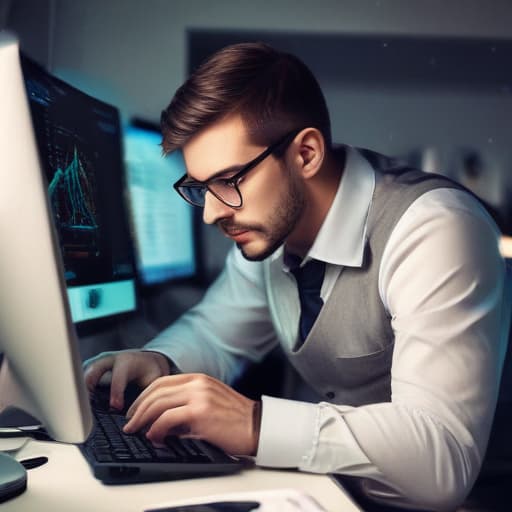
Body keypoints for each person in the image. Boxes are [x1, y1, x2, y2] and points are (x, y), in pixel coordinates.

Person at [84, 43, 508, 511]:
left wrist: (255, 424)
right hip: (335, 493)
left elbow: (442, 462)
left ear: (306, 153)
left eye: (229, 181)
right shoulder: (267, 227)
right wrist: (160, 360)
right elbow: (216, 333)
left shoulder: (435, 229)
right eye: (200, 188)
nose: (210, 214)